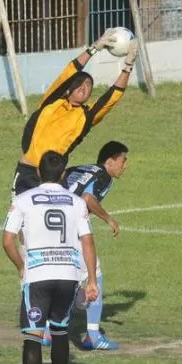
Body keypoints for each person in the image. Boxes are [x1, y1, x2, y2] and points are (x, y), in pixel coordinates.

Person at [3, 151, 99, 364]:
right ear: (64, 174)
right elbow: (88, 240)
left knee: (33, 336)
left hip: (38, 276)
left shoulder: (23, 200)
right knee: (60, 331)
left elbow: (8, 240)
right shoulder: (76, 202)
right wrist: (91, 279)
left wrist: (22, 266)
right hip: (67, 276)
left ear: (37, 173)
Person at [11, 31, 138, 197]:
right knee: (18, 222)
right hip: (27, 173)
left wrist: (128, 66)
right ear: (70, 87)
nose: (83, 88)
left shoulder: (86, 117)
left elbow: (113, 95)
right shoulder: (52, 101)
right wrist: (94, 48)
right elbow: (71, 70)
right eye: (80, 84)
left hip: (54, 179)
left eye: (88, 86)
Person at [64, 140, 129, 349]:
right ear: (109, 161)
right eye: (122, 161)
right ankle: (92, 334)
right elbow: (88, 198)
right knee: (95, 276)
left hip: (55, 224)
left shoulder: (82, 168)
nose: (124, 166)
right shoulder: (104, 176)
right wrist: (108, 218)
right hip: (74, 227)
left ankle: (46, 330)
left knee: (65, 274)